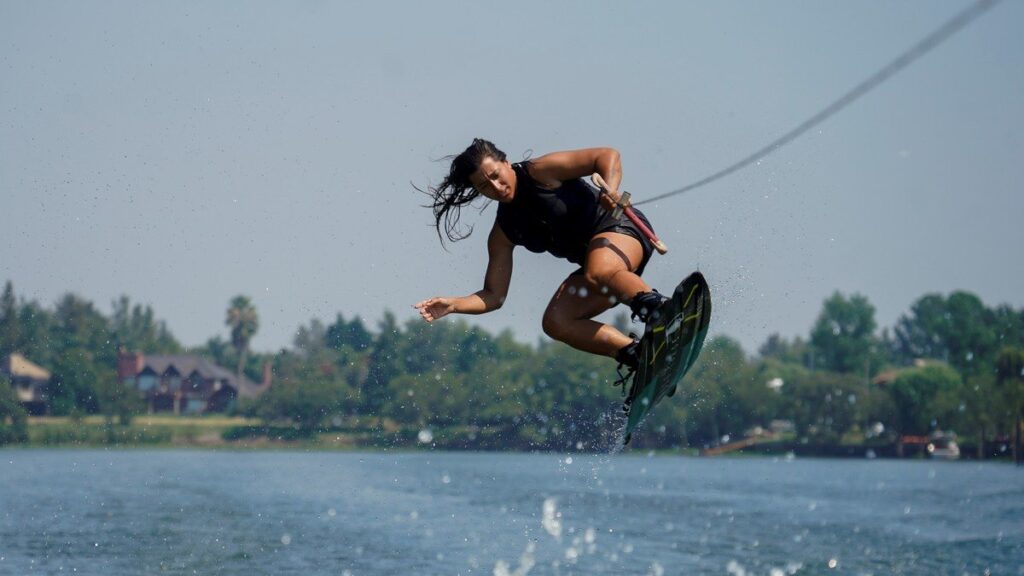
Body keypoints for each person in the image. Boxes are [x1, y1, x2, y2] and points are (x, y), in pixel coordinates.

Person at [414, 138, 669, 390]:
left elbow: (605, 155)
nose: (496, 186)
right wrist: (453, 304)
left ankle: (661, 311)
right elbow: (494, 296)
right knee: (557, 322)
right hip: (600, 273)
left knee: (598, 270)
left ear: (506, 162)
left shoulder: (540, 171)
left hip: (621, 233)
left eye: (495, 175)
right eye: (485, 186)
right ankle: (640, 355)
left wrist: (611, 189)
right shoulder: (503, 232)